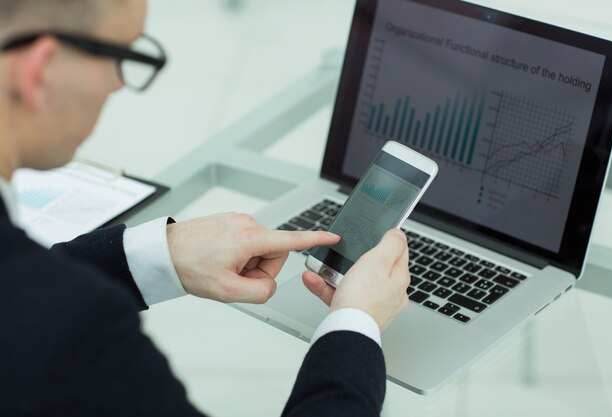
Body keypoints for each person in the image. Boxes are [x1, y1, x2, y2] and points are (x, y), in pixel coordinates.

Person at [0, 0, 411, 416]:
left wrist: (164, 252)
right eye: (123, 57)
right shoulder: (72, 333)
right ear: (41, 71)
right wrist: (356, 323)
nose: (117, 86)